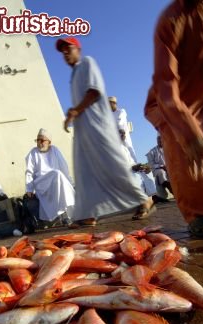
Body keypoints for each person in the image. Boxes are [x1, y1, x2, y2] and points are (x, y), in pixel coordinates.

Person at [145, 0, 203, 238]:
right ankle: (198, 215)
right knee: (180, 143)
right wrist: (189, 133)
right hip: (168, 102)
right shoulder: (171, 20)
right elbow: (166, 83)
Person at [56, 37, 154, 225]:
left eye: (68, 48)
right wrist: (72, 113)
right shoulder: (74, 75)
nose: (65, 53)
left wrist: (76, 110)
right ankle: (88, 213)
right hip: (84, 131)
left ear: (77, 48)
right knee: (84, 171)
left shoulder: (87, 63)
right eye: (62, 52)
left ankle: (144, 200)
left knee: (112, 165)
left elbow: (94, 92)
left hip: (99, 127)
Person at [25, 128, 75, 226]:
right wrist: (29, 188)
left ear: (49, 142)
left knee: (59, 178)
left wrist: (70, 182)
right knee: (57, 174)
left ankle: (64, 216)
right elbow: (29, 171)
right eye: (37, 140)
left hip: (56, 180)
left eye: (42, 140)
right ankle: (64, 216)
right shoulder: (33, 152)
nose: (39, 143)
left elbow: (63, 166)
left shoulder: (55, 150)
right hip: (41, 182)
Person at [108, 96, 137, 162]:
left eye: (109, 103)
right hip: (116, 136)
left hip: (124, 135)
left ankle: (136, 167)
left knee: (129, 150)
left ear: (114, 103)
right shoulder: (109, 114)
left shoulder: (121, 111)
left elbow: (120, 121)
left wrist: (121, 132)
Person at [146, 135, 173, 199]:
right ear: (157, 141)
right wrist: (162, 166)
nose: (160, 142)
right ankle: (172, 191)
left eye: (162, 140)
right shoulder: (152, 152)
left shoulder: (169, 149)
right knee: (162, 173)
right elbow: (151, 165)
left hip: (169, 167)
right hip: (157, 170)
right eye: (159, 141)